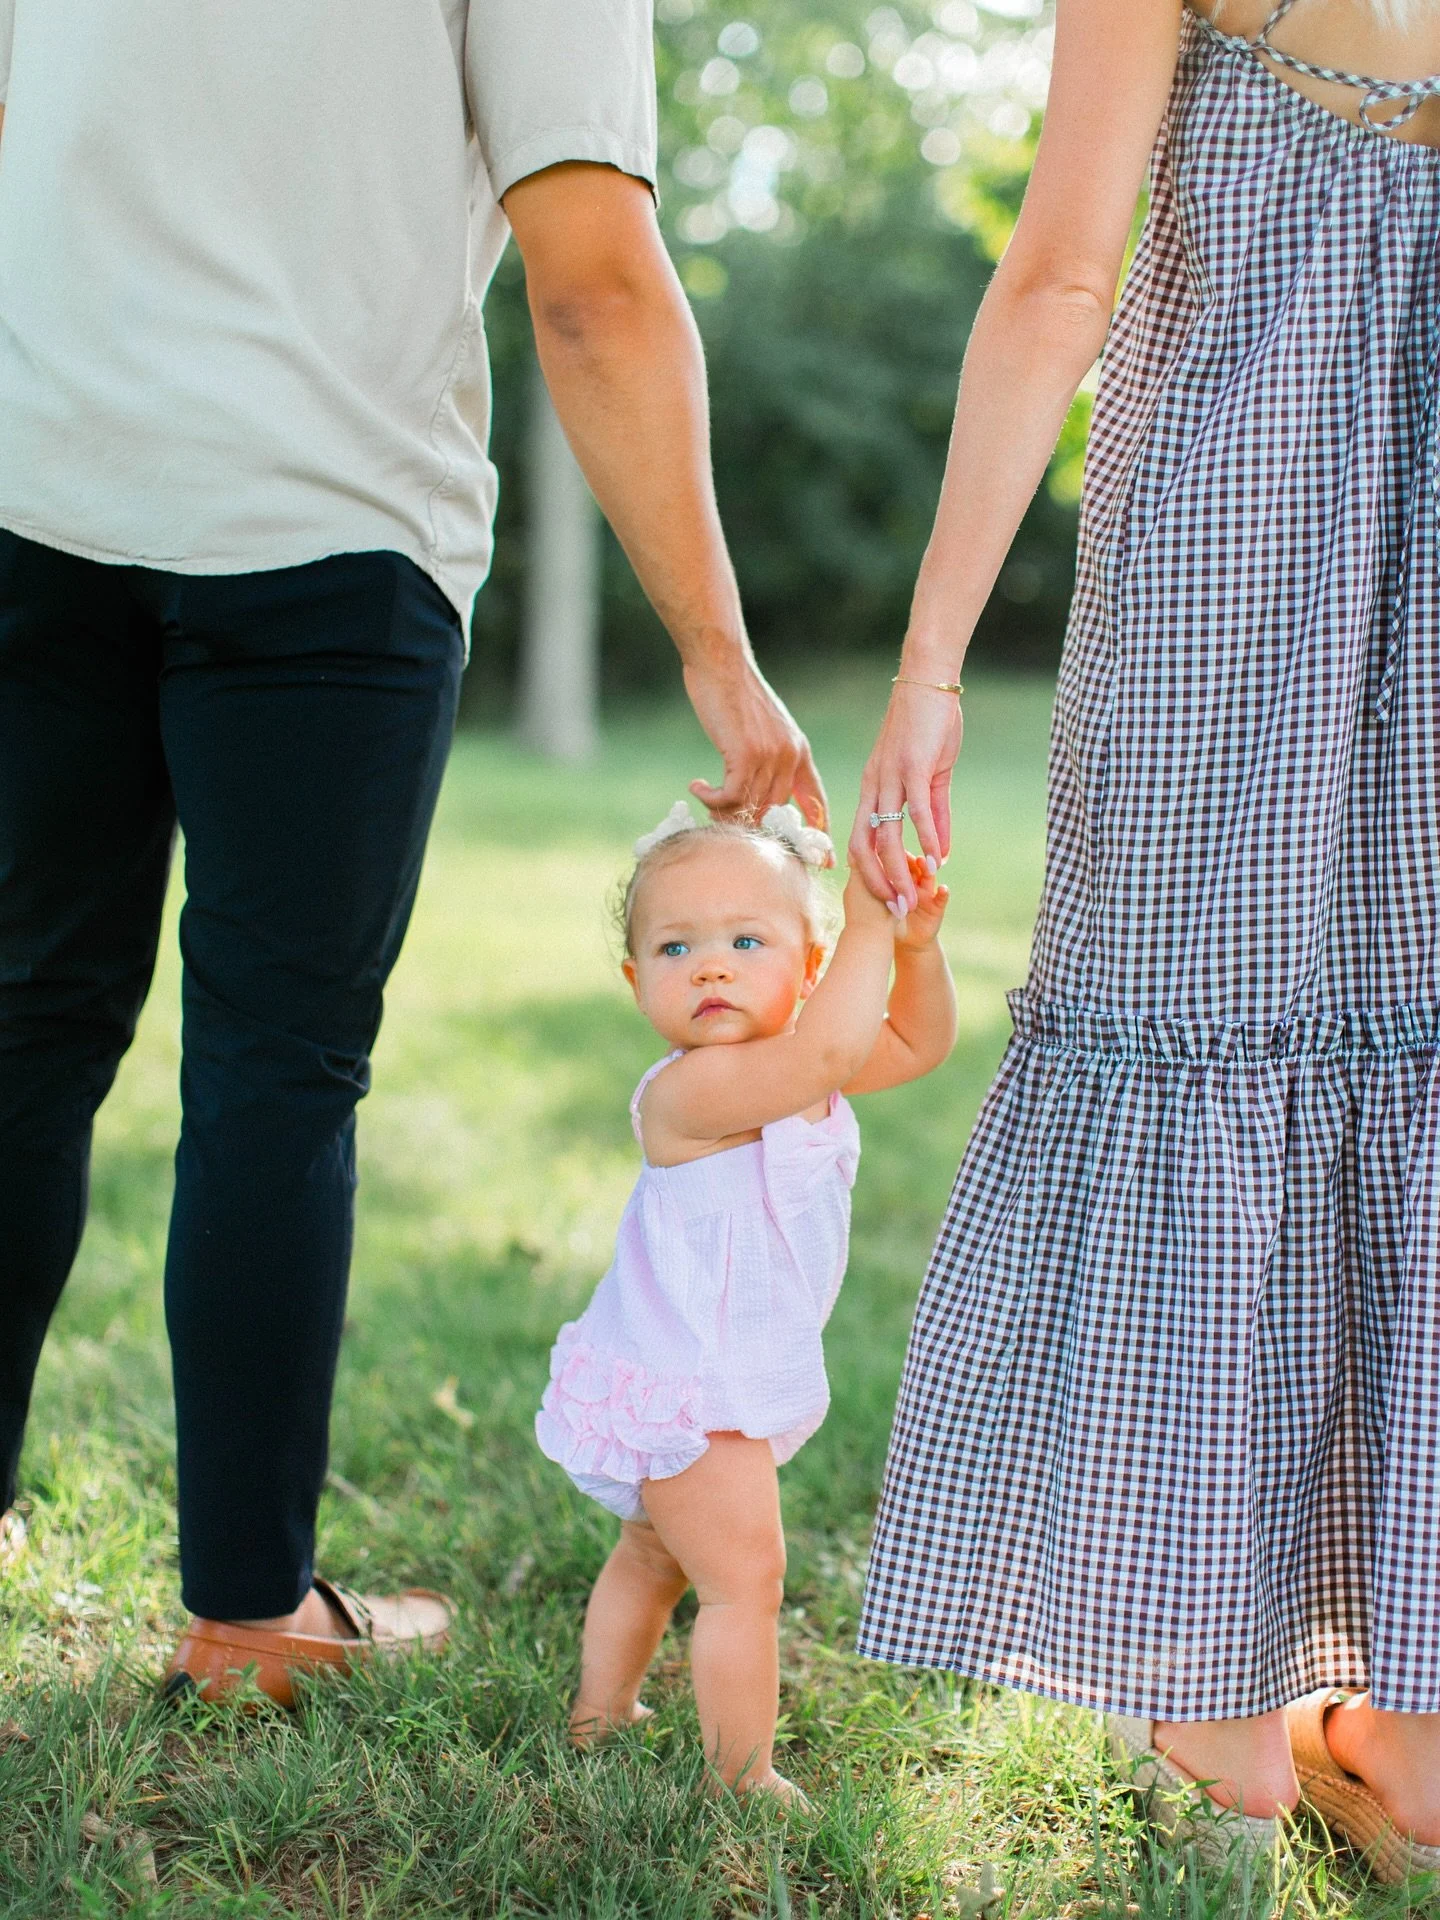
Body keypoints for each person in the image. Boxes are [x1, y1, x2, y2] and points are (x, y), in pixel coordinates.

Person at [0, 0, 826, 1706]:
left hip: (37, 502)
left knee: (18, 1027)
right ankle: (246, 1619)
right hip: (328, 530)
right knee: (275, 1072)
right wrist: (717, 647)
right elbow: (588, 279)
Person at [847, 0, 1440, 1883]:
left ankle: (1211, 1694)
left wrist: (931, 659)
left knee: (1194, 1034)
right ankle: (1414, 1732)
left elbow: (1059, 282)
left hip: (1227, 561)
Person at [535, 803, 956, 1800]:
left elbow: (914, 1040)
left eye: (745, 940)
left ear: (806, 970)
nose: (710, 967)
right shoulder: (690, 1093)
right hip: (694, 1388)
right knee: (744, 1583)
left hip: (694, 1372)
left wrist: (914, 948)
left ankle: (601, 1712)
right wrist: (862, 919)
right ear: (637, 982)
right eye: (676, 947)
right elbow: (823, 1055)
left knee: (653, 1554)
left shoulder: (798, 1068)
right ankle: (742, 1774)